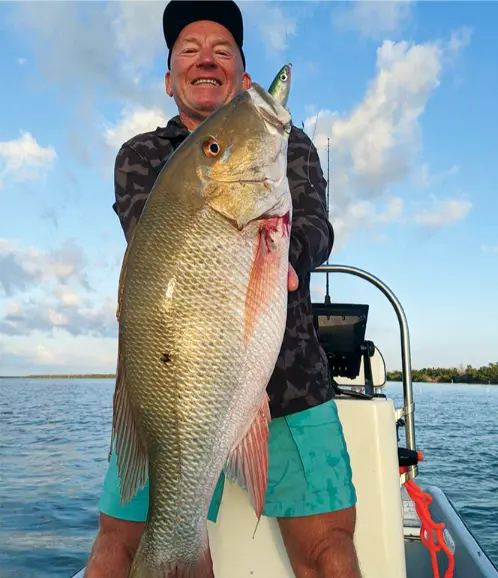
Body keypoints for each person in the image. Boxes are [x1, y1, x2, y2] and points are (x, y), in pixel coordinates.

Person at [85, 1, 361, 577]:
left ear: (243, 75)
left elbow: (314, 226)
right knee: (118, 546)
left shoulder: (287, 142)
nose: (205, 58)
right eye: (188, 49)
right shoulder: (140, 155)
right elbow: (160, 240)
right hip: (172, 383)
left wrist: (287, 250)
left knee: (329, 549)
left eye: (222, 49)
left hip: (294, 378)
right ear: (169, 79)